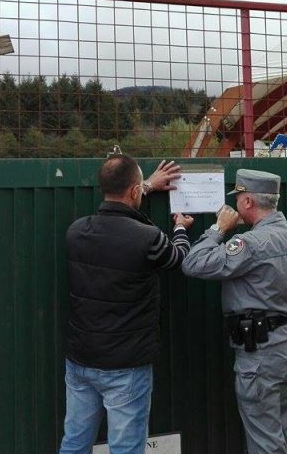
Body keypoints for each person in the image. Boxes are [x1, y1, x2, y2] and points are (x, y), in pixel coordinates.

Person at [59, 155, 194, 454]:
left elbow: (125, 202)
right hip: (125, 366)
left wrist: (146, 185)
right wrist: (182, 228)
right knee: (126, 448)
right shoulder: (147, 238)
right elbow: (179, 257)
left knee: (74, 441)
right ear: (134, 191)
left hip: (80, 359)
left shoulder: (76, 232)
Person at [181, 169, 287, 454]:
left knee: (265, 441)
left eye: (238, 197)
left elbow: (194, 263)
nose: (236, 203)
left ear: (248, 202)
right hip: (285, 348)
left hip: (259, 354)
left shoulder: (250, 244)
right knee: (280, 432)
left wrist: (219, 228)